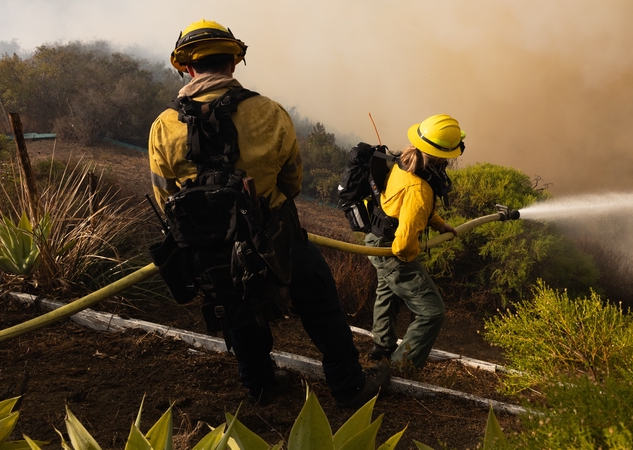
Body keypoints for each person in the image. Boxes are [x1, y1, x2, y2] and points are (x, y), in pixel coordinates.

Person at [148, 19, 389, 408]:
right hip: (277, 237)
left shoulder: (163, 126)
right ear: (232, 62)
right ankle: (348, 387)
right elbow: (292, 181)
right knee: (320, 303)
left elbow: (165, 197)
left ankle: (259, 384)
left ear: (187, 67)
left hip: (209, 250)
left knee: (236, 311)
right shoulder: (269, 112)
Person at [365, 114, 463, 371]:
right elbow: (403, 245)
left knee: (387, 291)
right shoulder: (420, 189)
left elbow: (406, 208)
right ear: (444, 157)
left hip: (375, 239)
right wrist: (414, 252)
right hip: (390, 248)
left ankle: (382, 346)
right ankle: (401, 366)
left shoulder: (404, 162)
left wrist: (439, 224)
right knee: (432, 311)